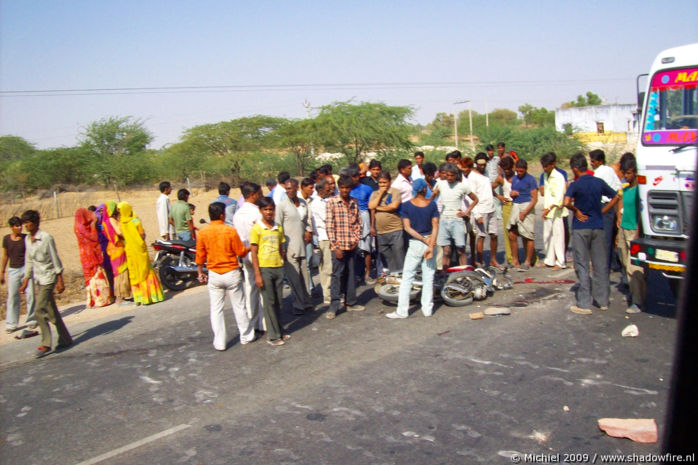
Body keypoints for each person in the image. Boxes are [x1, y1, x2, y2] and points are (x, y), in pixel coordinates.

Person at [564, 153, 621, 314]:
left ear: (575, 169)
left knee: (582, 264)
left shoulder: (576, 185)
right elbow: (616, 195)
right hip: (598, 225)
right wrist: (603, 210)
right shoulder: (598, 182)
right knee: (600, 264)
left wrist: (576, 211)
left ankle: (584, 303)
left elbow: (566, 203)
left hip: (581, 227)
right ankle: (602, 300)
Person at [196, 202, 255, 350]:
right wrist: (250, 247)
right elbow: (240, 252)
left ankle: (220, 342)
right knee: (239, 306)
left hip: (214, 274)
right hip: (231, 272)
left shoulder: (203, 233)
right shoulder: (230, 231)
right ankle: (246, 336)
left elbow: (200, 255)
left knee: (216, 309)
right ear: (222, 215)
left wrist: (200, 271)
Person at [19, 210, 72, 358]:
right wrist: (25, 281)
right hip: (38, 279)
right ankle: (65, 338)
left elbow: (55, 259)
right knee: (52, 312)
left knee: (38, 310)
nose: (25, 225)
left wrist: (60, 279)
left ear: (35, 223)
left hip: (49, 278)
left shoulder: (46, 238)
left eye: (28, 222)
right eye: (24, 223)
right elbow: (29, 261)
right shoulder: (27, 240)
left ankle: (46, 343)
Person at [385, 179, 439, 319]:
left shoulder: (407, 206)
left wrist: (422, 239)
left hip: (416, 243)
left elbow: (407, 227)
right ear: (424, 189)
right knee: (429, 277)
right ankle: (427, 309)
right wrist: (431, 245)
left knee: (408, 277)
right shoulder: (432, 205)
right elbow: (435, 226)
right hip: (430, 242)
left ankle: (402, 311)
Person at [250, 197, 291, 346]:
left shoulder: (278, 227)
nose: (269, 212)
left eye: (271, 209)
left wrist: (282, 261)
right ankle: (273, 335)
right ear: (260, 211)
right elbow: (254, 253)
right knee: (269, 301)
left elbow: (281, 246)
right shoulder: (257, 229)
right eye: (265, 209)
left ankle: (280, 330)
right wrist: (257, 274)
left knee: (278, 301)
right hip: (265, 268)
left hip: (278, 267)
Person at [326, 175, 364, 319]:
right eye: (342, 187)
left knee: (350, 274)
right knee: (337, 275)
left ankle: (351, 302)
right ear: (338, 188)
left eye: (347, 188)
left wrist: (356, 240)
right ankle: (334, 305)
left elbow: (358, 223)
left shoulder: (354, 202)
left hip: (351, 244)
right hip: (338, 246)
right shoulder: (332, 202)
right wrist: (335, 246)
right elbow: (330, 226)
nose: (345, 190)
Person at [276, 178, 314, 315]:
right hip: (289, 246)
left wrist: (309, 231)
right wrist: (282, 248)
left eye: (290, 188)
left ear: (296, 188)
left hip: (302, 244)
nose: (288, 191)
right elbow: (278, 227)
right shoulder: (282, 206)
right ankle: (298, 304)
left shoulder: (303, 203)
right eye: (286, 189)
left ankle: (306, 301)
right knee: (294, 277)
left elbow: (307, 219)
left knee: (304, 275)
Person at [432, 162, 478, 272]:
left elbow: (475, 199)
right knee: (446, 250)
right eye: (447, 175)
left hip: (457, 220)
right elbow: (433, 196)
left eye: (452, 175)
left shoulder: (462, 186)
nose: (449, 178)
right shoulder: (441, 184)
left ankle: (465, 274)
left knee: (460, 249)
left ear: (456, 175)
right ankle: (444, 274)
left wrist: (466, 212)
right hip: (444, 219)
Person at [616, 155, 646, 314]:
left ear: (634, 172)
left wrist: (638, 233)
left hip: (634, 231)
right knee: (624, 261)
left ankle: (637, 301)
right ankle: (635, 294)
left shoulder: (640, 191)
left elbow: (642, 213)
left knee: (634, 268)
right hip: (624, 229)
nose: (625, 176)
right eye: (624, 173)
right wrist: (619, 220)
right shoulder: (625, 189)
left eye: (628, 173)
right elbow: (620, 203)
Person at [233, 182, 265, 332]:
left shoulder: (237, 214)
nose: (262, 196)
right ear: (253, 195)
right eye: (260, 193)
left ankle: (253, 320)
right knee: (263, 286)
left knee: (251, 287)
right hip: (259, 254)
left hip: (245, 254)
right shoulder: (257, 213)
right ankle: (265, 322)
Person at [118, 202, 165, 305]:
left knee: (135, 272)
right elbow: (142, 235)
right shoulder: (135, 221)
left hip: (130, 251)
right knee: (145, 271)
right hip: (139, 250)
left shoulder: (121, 224)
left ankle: (139, 298)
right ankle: (150, 296)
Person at [590, 149, 623, 275]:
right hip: (611, 204)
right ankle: (613, 263)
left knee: (605, 238)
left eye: (593, 161)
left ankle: (606, 265)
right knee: (609, 236)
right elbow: (618, 187)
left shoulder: (599, 173)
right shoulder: (609, 170)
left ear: (600, 161)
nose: (591, 163)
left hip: (604, 205)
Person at [2, 216, 36, 333]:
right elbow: (5, 256)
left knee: (30, 294)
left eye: (20, 225)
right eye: (16, 226)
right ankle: (11, 324)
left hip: (26, 269)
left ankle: (31, 320)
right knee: (12, 297)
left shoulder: (26, 238)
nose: (19, 228)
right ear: (11, 227)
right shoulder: (6, 239)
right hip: (13, 270)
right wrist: (2, 272)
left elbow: (31, 254)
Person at [74, 208, 113, 308]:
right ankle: (100, 299)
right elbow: (94, 238)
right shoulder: (83, 227)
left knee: (91, 276)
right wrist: (94, 226)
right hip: (91, 255)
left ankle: (94, 299)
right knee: (96, 275)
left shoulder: (77, 226)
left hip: (85, 255)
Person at [369, 172, 404, 275]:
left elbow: (393, 206)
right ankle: (393, 275)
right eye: (380, 183)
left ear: (389, 182)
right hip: (380, 231)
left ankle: (402, 276)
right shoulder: (375, 194)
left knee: (398, 254)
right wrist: (380, 194)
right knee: (386, 255)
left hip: (395, 229)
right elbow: (371, 207)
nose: (382, 185)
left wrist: (378, 208)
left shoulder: (395, 192)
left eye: (385, 182)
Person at [508, 159, 538, 271]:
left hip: (527, 206)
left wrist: (525, 212)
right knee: (512, 233)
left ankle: (528, 261)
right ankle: (515, 260)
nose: (519, 173)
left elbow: (535, 199)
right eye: (518, 171)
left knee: (528, 235)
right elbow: (512, 193)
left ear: (525, 170)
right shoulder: (515, 178)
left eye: (521, 171)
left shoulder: (531, 180)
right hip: (516, 205)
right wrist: (512, 194)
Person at [540, 153, 568, 269]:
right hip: (547, 210)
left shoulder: (558, 177)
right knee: (547, 236)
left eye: (546, 166)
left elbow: (559, 196)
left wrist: (550, 208)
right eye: (543, 166)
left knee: (558, 236)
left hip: (556, 211)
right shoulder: (546, 176)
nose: (544, 168)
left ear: (553, 164)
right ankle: (549, 259)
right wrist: (546, 209)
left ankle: (560, 261)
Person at [348, 166, 376, 284]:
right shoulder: (347, 189)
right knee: (353, 248)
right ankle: (355, 274)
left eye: (354, 177)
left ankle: (367, 273)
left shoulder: (367, 189)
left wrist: (372, 226)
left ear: (357, 177)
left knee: (367, 248)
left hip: (364, 217)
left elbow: (372, 209)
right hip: (351, 218)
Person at [471, 154, 499, 267]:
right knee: (481, 236)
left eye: (484, 164)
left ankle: (493, 259)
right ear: (476, 164)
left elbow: (489, 190)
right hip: (481, 210)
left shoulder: (486, 174)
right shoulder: (473, 177)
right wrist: (477, 215)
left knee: (494, 235)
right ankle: (480, 261)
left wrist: (498, 197)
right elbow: (471, 197)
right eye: (480, 164)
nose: (482, 166)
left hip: (491, 208)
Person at [102, 201, 132, 304]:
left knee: (119, 271)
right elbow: (118, 232)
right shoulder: (111, 220)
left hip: (114, 248)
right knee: (121, 271)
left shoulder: (106, 221)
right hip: (117, 247)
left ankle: (123, 294)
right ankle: (121, 296)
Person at [310, 177, 334, 304]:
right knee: (326, 267)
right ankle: (328, 295)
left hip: (331, 236)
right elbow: (328, 218)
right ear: (319, 190)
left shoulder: (328, 200)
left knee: (331, 266)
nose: (329, 190)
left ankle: (332, 292)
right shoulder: (316, 203)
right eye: (327, 189)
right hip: (324, 237)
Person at [493, 157, 515, 265]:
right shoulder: (501, 178)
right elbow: (490, 187)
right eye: (504, 169)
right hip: (507, 205)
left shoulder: (517, 176)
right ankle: (510, 258)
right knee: (507, 232)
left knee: (524, 232)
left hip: (518, 204)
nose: (507, 171)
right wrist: (499, 196)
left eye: (508, 169)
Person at [299, 177, 318, 296]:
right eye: (310, 188)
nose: (312, 190)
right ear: (303, 188)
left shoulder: (312, 200)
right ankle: (307, 289)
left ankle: (310, 287)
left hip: (310, 235)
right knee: (304, 264)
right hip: (300, 235)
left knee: (309, 262)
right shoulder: (297, 201)